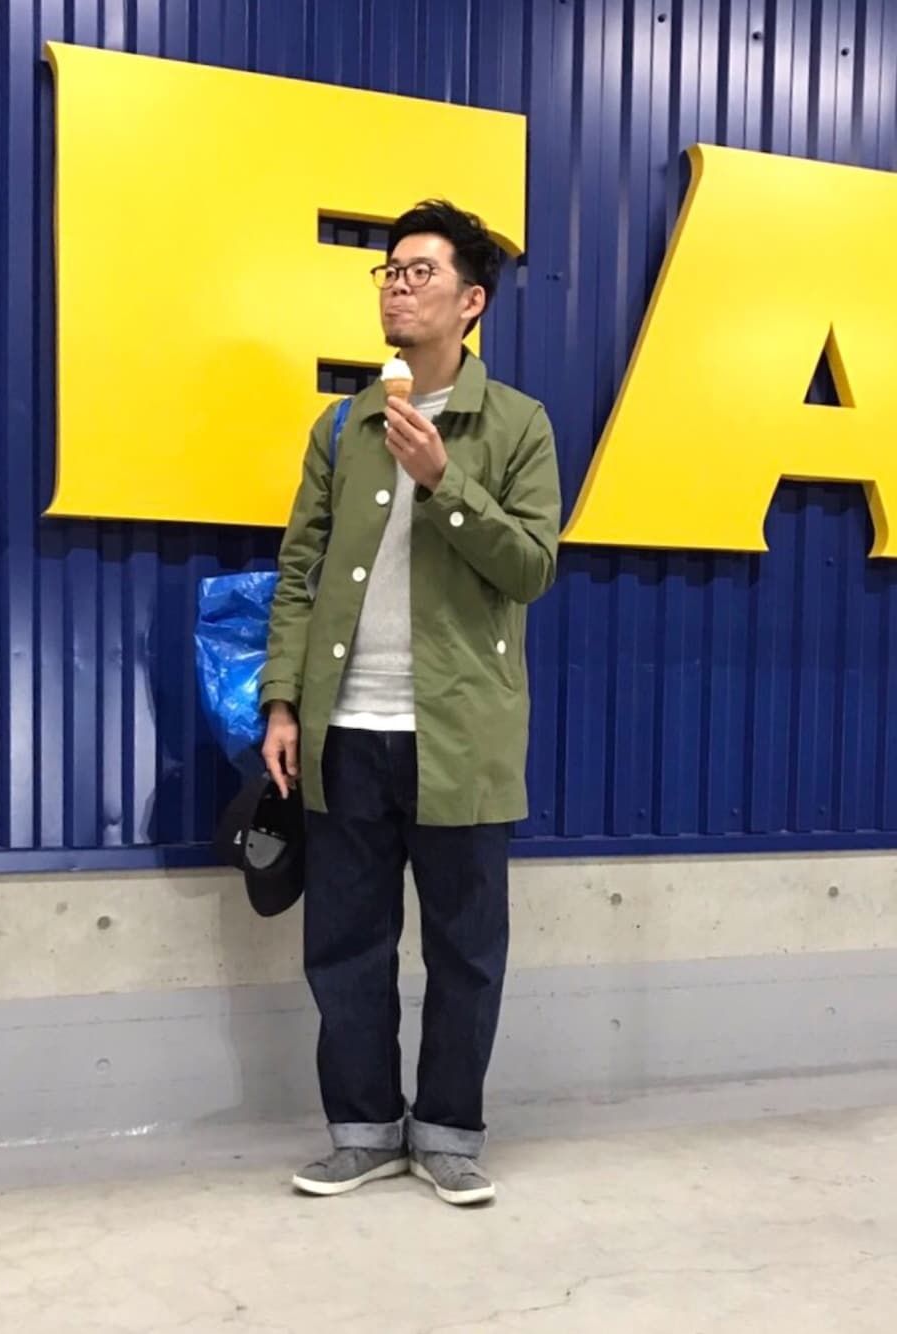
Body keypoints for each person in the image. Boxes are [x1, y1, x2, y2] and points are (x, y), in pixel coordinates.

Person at [259, 200, 561, 1206]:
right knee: (345, 945)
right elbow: (298, 572)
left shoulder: (516, 424)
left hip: (461, 735)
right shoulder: (341, 424)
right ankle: (361, 1132)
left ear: (471, 301)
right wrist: (282, 704)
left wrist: (444, 481)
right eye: (389, 270)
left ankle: (448, 1133)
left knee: (466, 950)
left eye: (419, 271)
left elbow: (531, 568)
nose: (397, 285)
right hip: (345, 732)